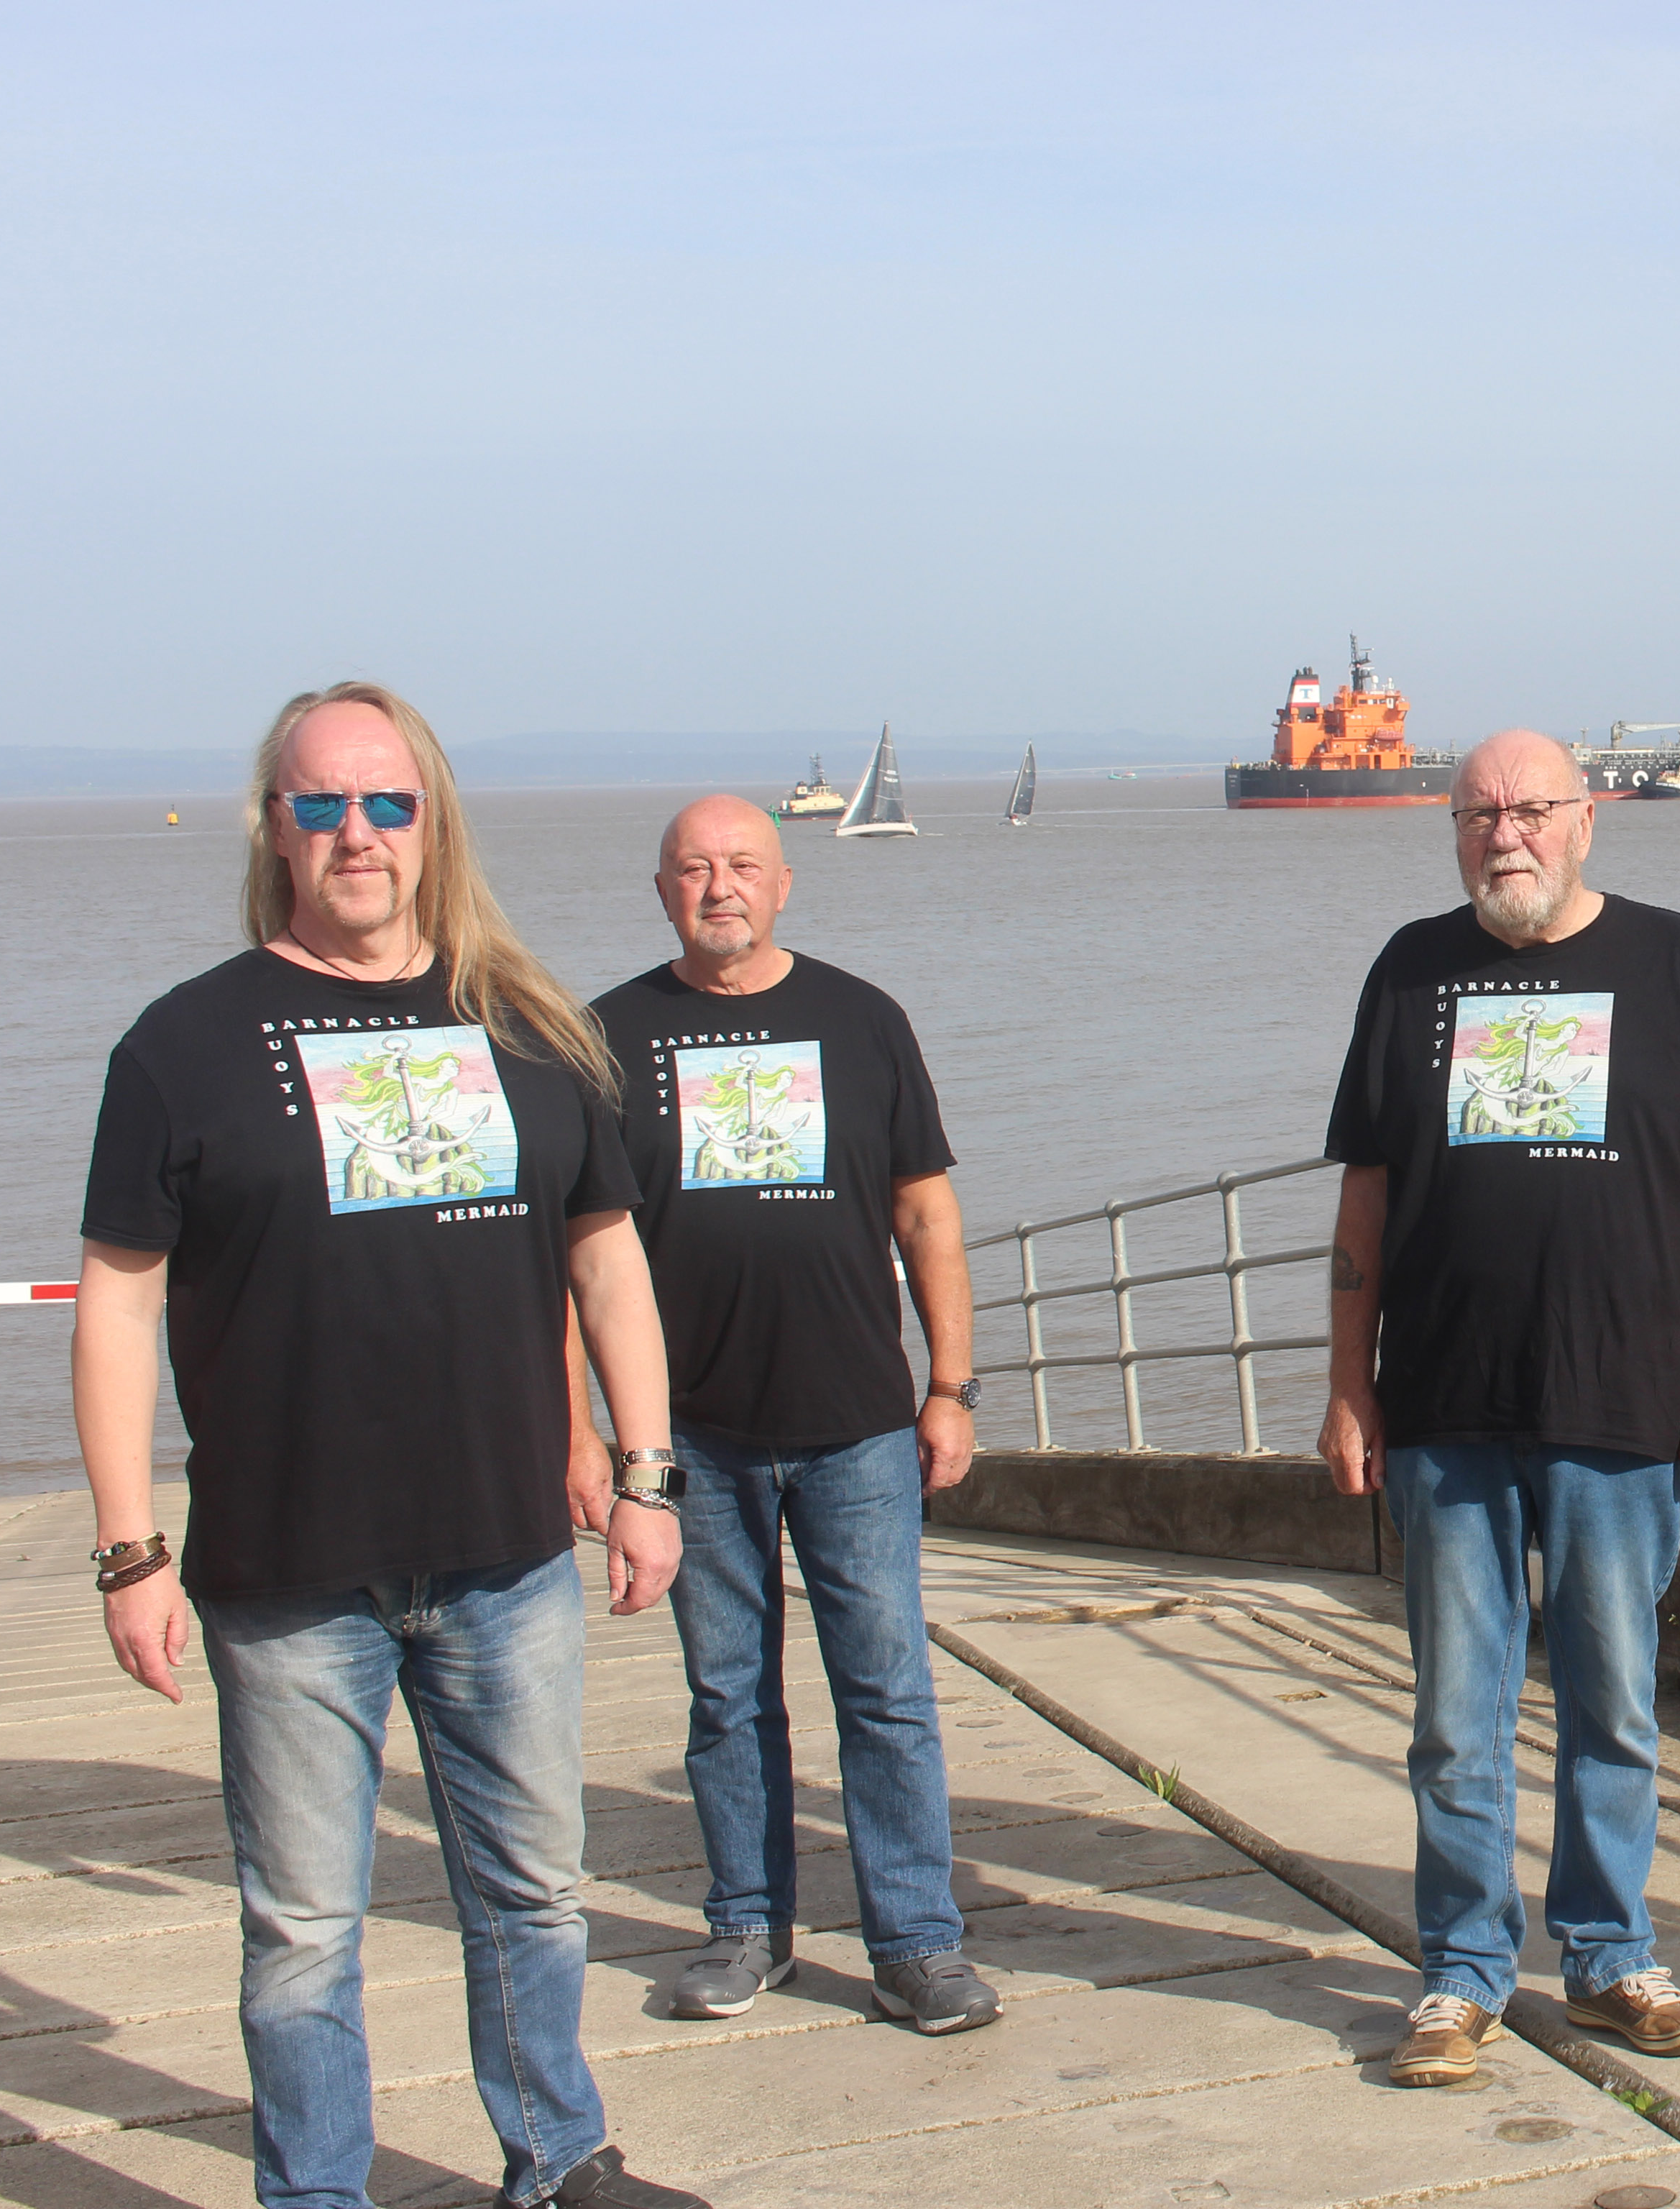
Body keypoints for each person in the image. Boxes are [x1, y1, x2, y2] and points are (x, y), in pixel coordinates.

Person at [71, 684, 708, 2209]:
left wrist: (646, 1476)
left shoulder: (533, 1026)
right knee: (303, 1930)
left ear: (431, 825)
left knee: (536, 1896)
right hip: (287, 1577)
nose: (356, 833)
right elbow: (115, 1300)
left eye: (386, 803)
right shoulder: (181, 1046)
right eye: (321, 804)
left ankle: (557, 2161)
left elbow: (609, 1261)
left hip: (505, 1560)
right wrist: (127, 1548)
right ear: (275, 827)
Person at [1316, 729, 1680, 2087]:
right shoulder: (1410, 969)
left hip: (1625, 1405)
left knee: (1615, 1705)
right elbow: (1367, 1199)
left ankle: (1608, 1956)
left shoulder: (1673, 958)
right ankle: (1460, 1976)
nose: (1505, 834)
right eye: (1478, 814)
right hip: (1448, 1409)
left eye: (1532, 809)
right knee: (1457, 1716)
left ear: (1589, 820)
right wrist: (1350, 1384)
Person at [579, 795, 996, 2035]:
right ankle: (747, 1928)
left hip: (860, 1422)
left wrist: (950, 1385)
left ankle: (917, 1943)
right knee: (726, 1695)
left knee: (885, 1690)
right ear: (662, 891)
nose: (720, 887)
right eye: (695, 869)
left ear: (784, 884)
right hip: (691, 1436)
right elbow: (576, 1259)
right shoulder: (604, 1037)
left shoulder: (863, 1021)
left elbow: (927, 1217)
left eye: (743, 866)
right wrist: (592, 1443)